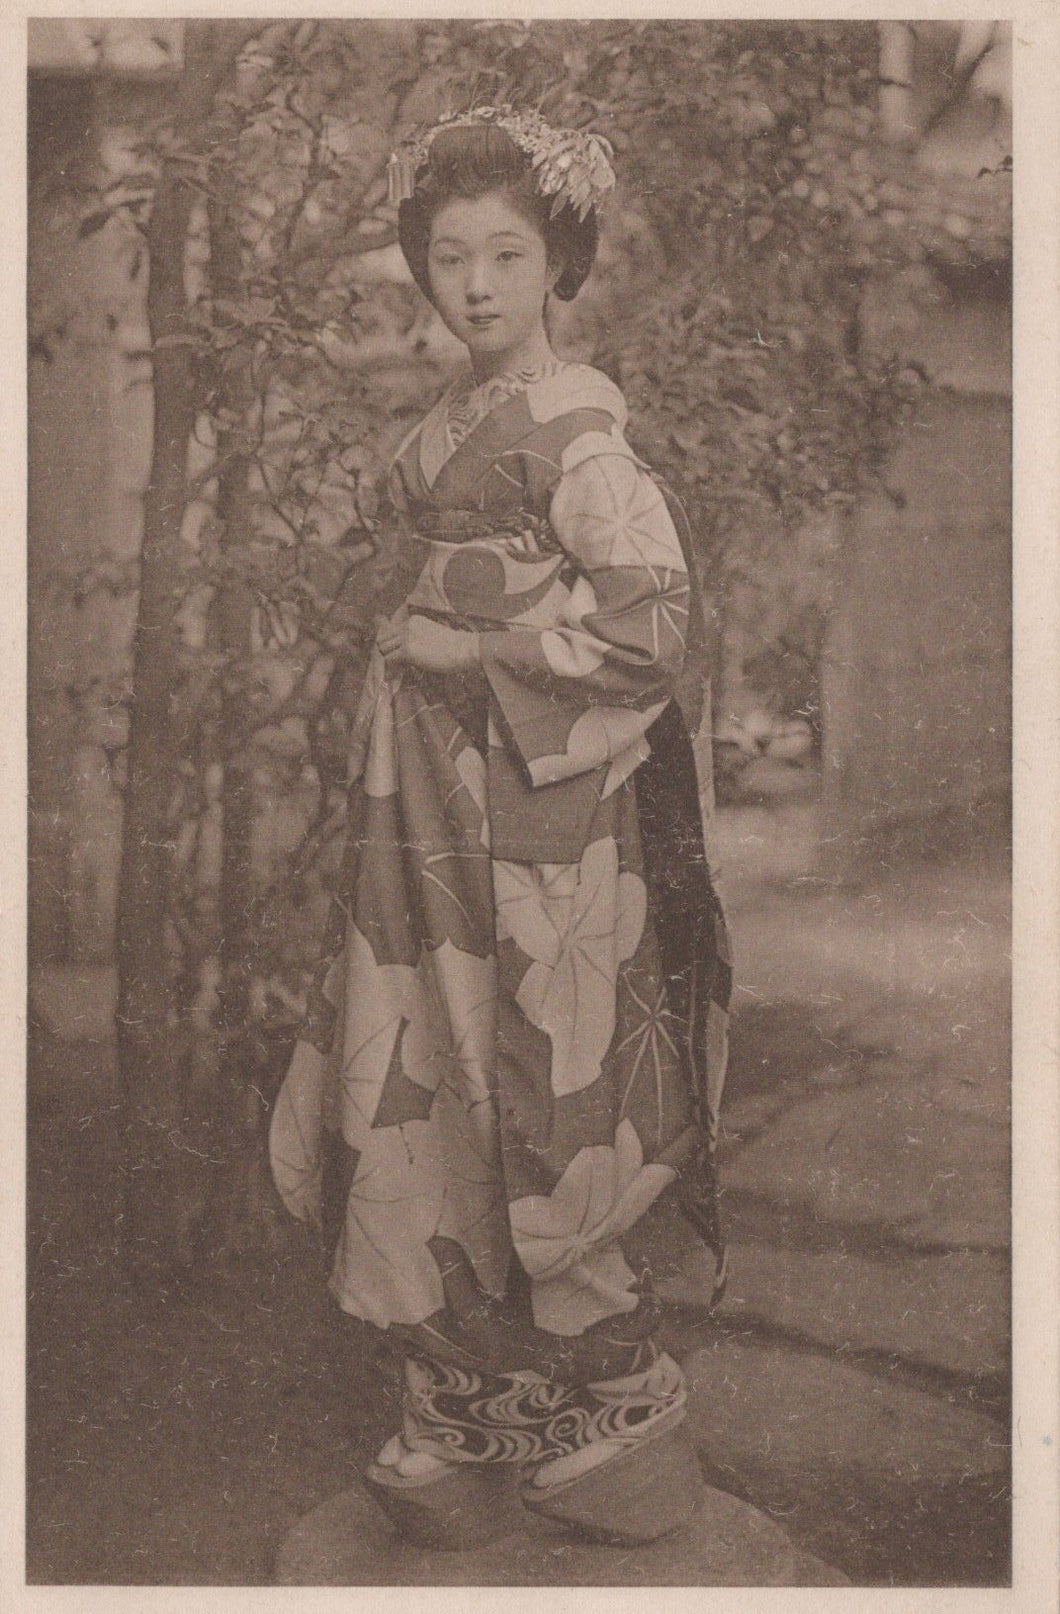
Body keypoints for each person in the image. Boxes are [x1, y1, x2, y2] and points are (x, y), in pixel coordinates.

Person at [269, 105, 732, 1552]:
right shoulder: (431, 438)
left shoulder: (577, 434)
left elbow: (656, 618)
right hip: (422, 831)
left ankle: (598, 1416)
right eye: (448, 255)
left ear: (556, 267)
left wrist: (478, 652)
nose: (472, 284)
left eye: (506, 255)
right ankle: (453, 1407)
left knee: (544, 1085)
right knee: (422, 1079)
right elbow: (377, 586)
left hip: (545, 831)